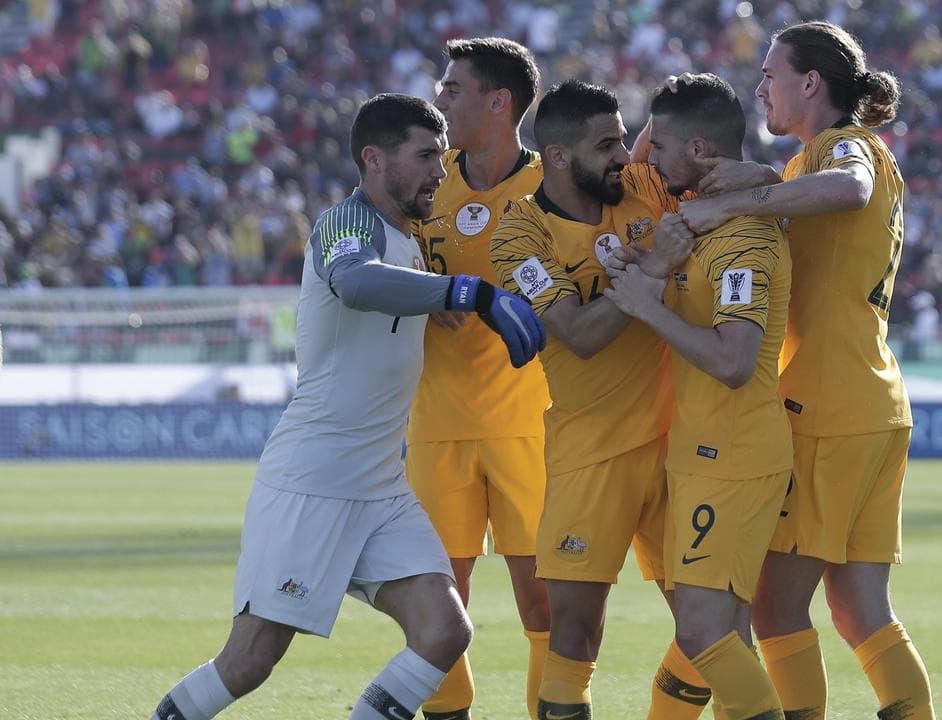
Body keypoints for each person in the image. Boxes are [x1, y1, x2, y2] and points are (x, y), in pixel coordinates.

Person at [148, 93, 546, 720]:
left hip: (381, 485)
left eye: (442, 157)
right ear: (374, 159)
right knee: (249, 661)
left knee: (444, 631)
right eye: (425, 157)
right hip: (315, 479)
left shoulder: (409, 241)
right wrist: (465, 292)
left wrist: (437, 295)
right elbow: (356, 281)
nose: (439, 172)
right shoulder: (345, 222)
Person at [677, 21, 936, 720]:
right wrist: (765, 179)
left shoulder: (848, 147)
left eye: (771, 75)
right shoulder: (808, 165)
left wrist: (732, 202)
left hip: (826, 405)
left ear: (811, 83)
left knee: (773, 608)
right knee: (860, 609)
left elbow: (847, 189)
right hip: (873, 399)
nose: (760, 88)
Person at [489, 79, 708, 720]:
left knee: (712, 631)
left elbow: (712, 161)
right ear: (558, 156)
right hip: (590, 453)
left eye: (623, 139)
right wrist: (654, 268)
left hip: (679, 446)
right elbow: (580, 335)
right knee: (574, 634)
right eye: (605, 144)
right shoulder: (520, 235)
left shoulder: (642, 188)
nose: (622, 156)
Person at [604, 73, 793, 720]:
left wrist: (647, 307)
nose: (647, 158)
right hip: (703, 450)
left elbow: (735, 363)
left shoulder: (744, 237)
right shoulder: (700, 221)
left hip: (734, 455)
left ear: (701, 151)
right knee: (726, 633)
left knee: (702, 634)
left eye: (659, 146)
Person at [404, 37, 551, 720]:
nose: (440, 98)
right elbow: (377, 263)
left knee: (543, 603)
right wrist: (421, 297)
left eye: (453, 88)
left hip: (530, 424)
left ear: (499, 102)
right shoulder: (424, 180)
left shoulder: (551, 186)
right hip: (437, 425)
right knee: (438, 603)